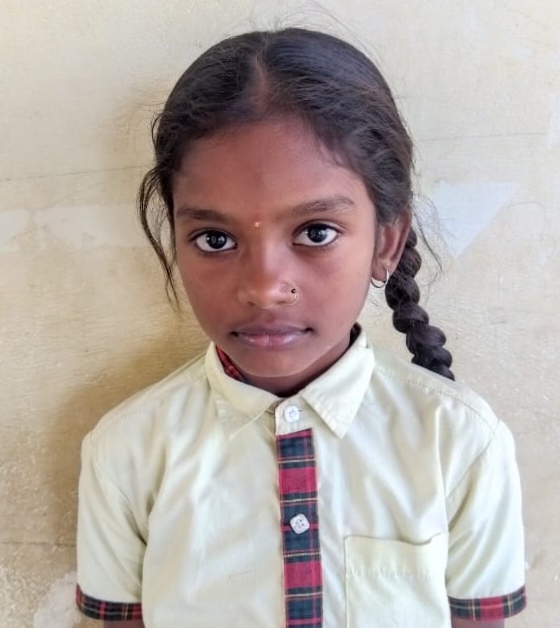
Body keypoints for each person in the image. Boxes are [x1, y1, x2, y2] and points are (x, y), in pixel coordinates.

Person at [75, 27, 526, 628]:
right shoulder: (127, 451)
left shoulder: (461, 442)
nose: (264, 287)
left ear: (386, 242)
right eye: (215, 239)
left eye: (316, 232)